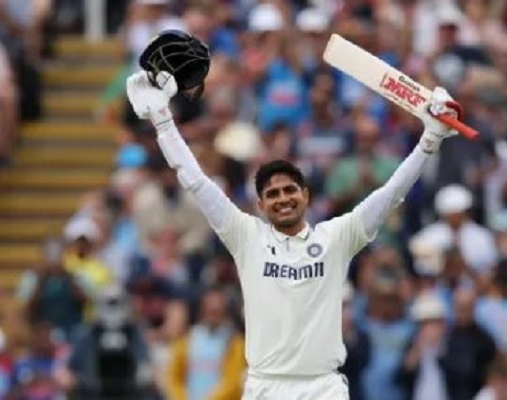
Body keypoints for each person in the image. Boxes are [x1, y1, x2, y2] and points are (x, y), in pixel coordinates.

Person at [126, 29, 462, 399]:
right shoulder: (245, 236)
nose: (282, 199)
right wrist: (162, 120)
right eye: (272, 194)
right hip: (266, 386)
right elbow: (194, 180)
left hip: (323, 387)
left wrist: (429, 140)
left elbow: (391, 194)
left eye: (290, 190)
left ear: (306, 195)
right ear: (260, 205)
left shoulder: (336, 237)